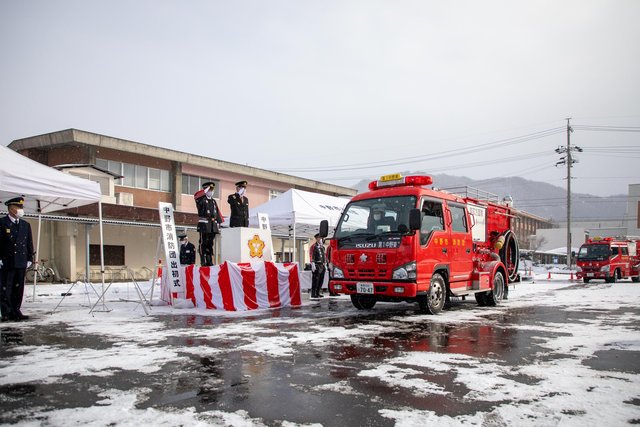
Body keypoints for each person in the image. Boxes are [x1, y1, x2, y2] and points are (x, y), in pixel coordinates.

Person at [0, 197, 34, 321]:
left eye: (21, 208)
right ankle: (6, 312)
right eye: (19, 207)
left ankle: (16, 310)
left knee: (18, 288)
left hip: (21, 261)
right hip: (7, 261)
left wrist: (30, 257)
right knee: (6, 288)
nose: (21, 210)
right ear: (11, 208)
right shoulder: (2, 223)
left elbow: (29, 243)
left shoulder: (25, 225)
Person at [194, 182, 223, 266]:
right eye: (209, 189)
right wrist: (204, 191)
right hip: (204, 224)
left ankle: (209, 260)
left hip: (212, 225)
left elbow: (217, 213)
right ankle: (203, 259)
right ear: (205, 190)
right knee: (203, 242)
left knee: (210, 243)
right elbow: (196, 196)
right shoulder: (201, 199)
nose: (211, 191)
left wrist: (218, 223)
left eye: (212, 190)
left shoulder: (213, 201)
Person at [310, 233, 327, 299]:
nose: (321, 239)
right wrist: (312, 263)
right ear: (317, 238)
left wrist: (325, 264)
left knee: (321, 280)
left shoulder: (322, 247)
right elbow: (311, 255)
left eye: (321, 238)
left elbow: (324, 256)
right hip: (317, 265)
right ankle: (313, 293)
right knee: (315, 280)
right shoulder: (314, 246)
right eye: (320, 238)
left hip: (322, 265)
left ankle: (318, 292)